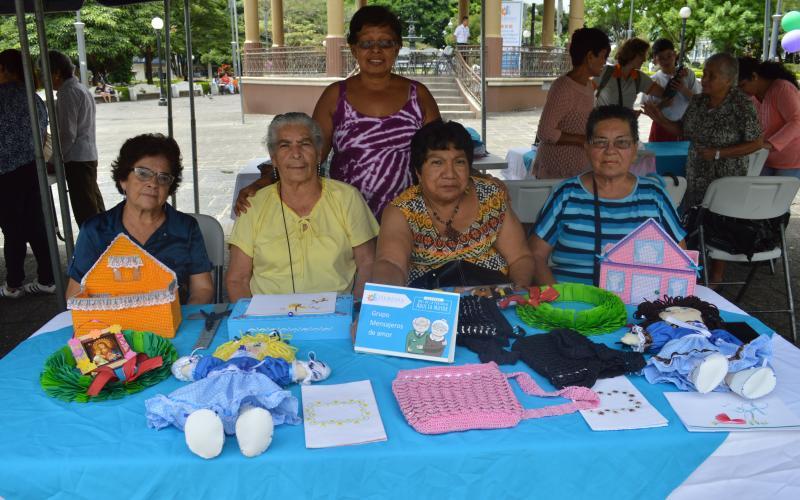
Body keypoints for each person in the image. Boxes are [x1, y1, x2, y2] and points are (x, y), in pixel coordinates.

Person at [235, 5, 440, 220]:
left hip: (409, 217)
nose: (376, 50)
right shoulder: (335, 96)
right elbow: (308, 154)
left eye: (386, 43)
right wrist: (266, 179)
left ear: (397, 47)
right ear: (353, 49)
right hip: (345, 218)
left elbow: (440, 154)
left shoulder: (419, 95)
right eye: (366, 43)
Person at [226, 113, 379, 301]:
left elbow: (368, 264)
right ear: (273, 158)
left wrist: (356, 313)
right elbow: (237, 279)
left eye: (305, 144)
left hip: (333, 316)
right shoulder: (253, 205)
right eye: (285, 146)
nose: (296, 153)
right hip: (269, 321)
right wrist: (254, 326)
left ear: (319, 154)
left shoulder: (347, 198)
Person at [529, 105, 685, 285]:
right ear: (587, 148)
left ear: (634, 150)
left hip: (634, 305)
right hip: (572, 305)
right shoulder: (566, 194)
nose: (610, 150)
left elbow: (680, 259)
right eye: (600, 142)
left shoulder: (654, 196)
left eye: (622, 142)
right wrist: (558, 299)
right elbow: (535, 255)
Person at [372, 120, 535, 287]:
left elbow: (520, 257)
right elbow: (391, 264)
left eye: (459, 162)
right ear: (418, 172)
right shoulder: (402, 210)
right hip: (428, 307)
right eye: (437, 162)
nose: (449, 174)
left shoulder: (491, 197)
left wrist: (517, 292)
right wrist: (387, 296)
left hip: (493, 299)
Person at [66, 134, 214, 304]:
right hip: (111, 327)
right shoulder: (96, 230)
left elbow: (203, 288)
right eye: (143, 173)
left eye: (163, 178)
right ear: (123, 180)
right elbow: (74, 294)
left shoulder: (185, 228)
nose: (153, 183)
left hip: (173, 325)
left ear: (170, 187)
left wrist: (181, 320)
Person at [643, 53, 762, 207]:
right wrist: (661, 119)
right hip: (696, 179)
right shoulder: (698, 101)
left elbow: (757, 143)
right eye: (704, 74)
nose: (704, 80)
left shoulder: (742, 106)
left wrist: (718, 153)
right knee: (696, 224)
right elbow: (682, 130)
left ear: (728, 79)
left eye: (711, 76)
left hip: (726, 184)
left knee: (721, 226)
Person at [0, 49, 56, 298]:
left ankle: (14, 283)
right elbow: (44, 137)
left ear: (5, 69)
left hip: (6, 173)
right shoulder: (35, 98)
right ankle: (47, 278)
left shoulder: (2, 97)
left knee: (13, 230)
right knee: (37, 226)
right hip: (33, 170)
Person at [533, 27, 611, 179]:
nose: (604, 62)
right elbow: (545, 132)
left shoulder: (588, 85)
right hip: (556, 171)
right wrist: (581, 139)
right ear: (589, 56)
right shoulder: (563, 87)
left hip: (579, 169)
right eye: (602, 56)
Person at [49, 50, 105, 226]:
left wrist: (53, 160)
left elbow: (67, 135)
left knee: (85, 210)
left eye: (44, 73)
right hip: (86, 155)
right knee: (93, 205)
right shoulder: (79, 88)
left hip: (77, 159)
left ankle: (95, 249)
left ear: (56, 73)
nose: (42, 79)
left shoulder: (68, 93)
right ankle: (105, 245)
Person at [738, 56, 800, 178]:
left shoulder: (782, 88)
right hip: (764, 158)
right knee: (756, 195)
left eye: (742, 85)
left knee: (779, 197)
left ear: (754, 76)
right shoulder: (752, 96)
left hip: (790, 160)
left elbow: (797, 121)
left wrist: (769, 144)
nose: (740, 91)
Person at [642, 38, 701, 142]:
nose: (666, 60)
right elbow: (647, 110)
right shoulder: (653, 81)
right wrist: (663, 104)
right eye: (661, 58)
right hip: (660, 127)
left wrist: (683, 89)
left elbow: (700, 102)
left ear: (675, 54)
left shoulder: (688, 75)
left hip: (685, 127)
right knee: (659, 157)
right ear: (655, 59)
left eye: (669, 56)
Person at [595, 38, 665, 109]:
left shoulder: (639, 77)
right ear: (631, 53)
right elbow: (586, 93)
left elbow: (664, 94)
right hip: (602, 119)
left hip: (626, 120)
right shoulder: (606, 72)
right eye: (641, 55)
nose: (644, 59)